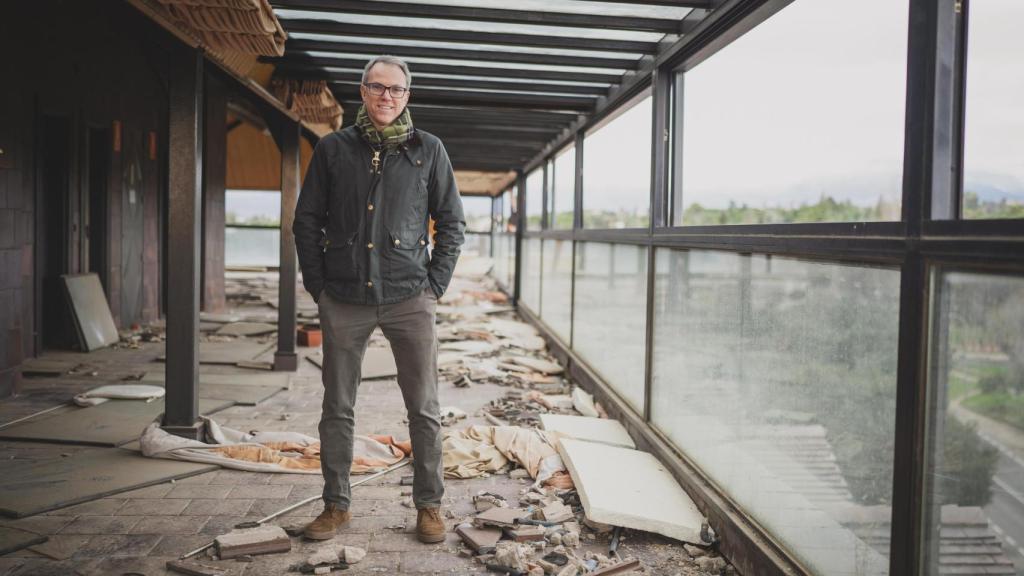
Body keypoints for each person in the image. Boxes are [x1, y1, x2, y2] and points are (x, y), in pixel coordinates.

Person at [293, 55, 465, 544]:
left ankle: (430, 506)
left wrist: (435, 285)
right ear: (362, 92)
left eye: (397, 89)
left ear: (407, 97)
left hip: (411, 295)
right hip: (344, 296)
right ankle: (336, 505)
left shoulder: (429, 150)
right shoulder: (332, 149)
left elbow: (452, 222)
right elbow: (307, 220)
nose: (387, 96)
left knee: (424, 407)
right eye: (377, 87)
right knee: (337, 405)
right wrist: (318, 285)